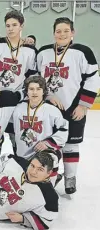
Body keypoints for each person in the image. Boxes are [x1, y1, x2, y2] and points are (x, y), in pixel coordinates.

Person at [36, 17, 100, 194]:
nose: (62, 34)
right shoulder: (43, 52)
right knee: (49, 144)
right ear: (53, 33)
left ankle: (70, 176)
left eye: (66, 31)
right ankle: (51, 175)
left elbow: (93, 79)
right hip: (48, 107)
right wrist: (47, 95)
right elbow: (35, 78)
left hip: (74, 107)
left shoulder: (83, 52)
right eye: (58, 31)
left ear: (73, 33)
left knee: (71, 144)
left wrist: (84, 105)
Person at [12, 76, 68, 184]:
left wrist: (48, 143)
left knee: (51, 157)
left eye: (38, 89)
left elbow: (64, 130)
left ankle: (51, 181)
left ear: (44, 91)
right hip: (22, 154)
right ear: (26, 91)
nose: (35, 92)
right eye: (31, 89)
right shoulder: (17, 108)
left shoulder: (52, 110)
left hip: (43, 152)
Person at [0, 10, 37, 91]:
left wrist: (21, 94)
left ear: (21, 26)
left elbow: (32, 77)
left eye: (14, 25)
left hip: (16, 97)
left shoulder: (30, 50)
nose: (11, 29)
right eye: (8, 26)